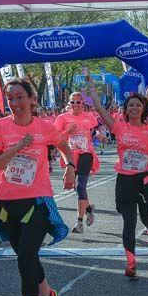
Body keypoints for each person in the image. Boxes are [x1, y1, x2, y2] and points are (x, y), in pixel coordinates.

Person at [0, 80, 76, 296]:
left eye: (19, 97)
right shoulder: (0, 127)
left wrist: (70, 165)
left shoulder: (44, 127)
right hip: (7, 203)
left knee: (25, 257)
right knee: (28, 257)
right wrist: (16, 148)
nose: (14, 103)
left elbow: (63, 145)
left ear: (31, 99)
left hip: (36, 201)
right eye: (10, 98)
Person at [89, 81, 148, 278]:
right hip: (125, 180)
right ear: (126, 109)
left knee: (145, 218)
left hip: (145, 179)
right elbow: (101, 111)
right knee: (129, 222)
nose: (134, 108)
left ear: (143, 109)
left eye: (138, 105)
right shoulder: (120, 127)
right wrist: (94, 94)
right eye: (130, 105)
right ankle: (131, 263)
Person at [54, 92, 100, 234]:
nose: (75, 105)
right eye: (72, 102)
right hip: (71, 155)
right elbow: (55, 137)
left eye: (78, 102)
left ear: (82, 104)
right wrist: (66, 131)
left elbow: (95, 130)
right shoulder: (62, 118)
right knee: (75, 186)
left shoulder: (89, 117)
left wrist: (100, 135)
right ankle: (89, 209)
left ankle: (79, 223)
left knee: (80, 186)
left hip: (86, 153)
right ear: (69, 103)